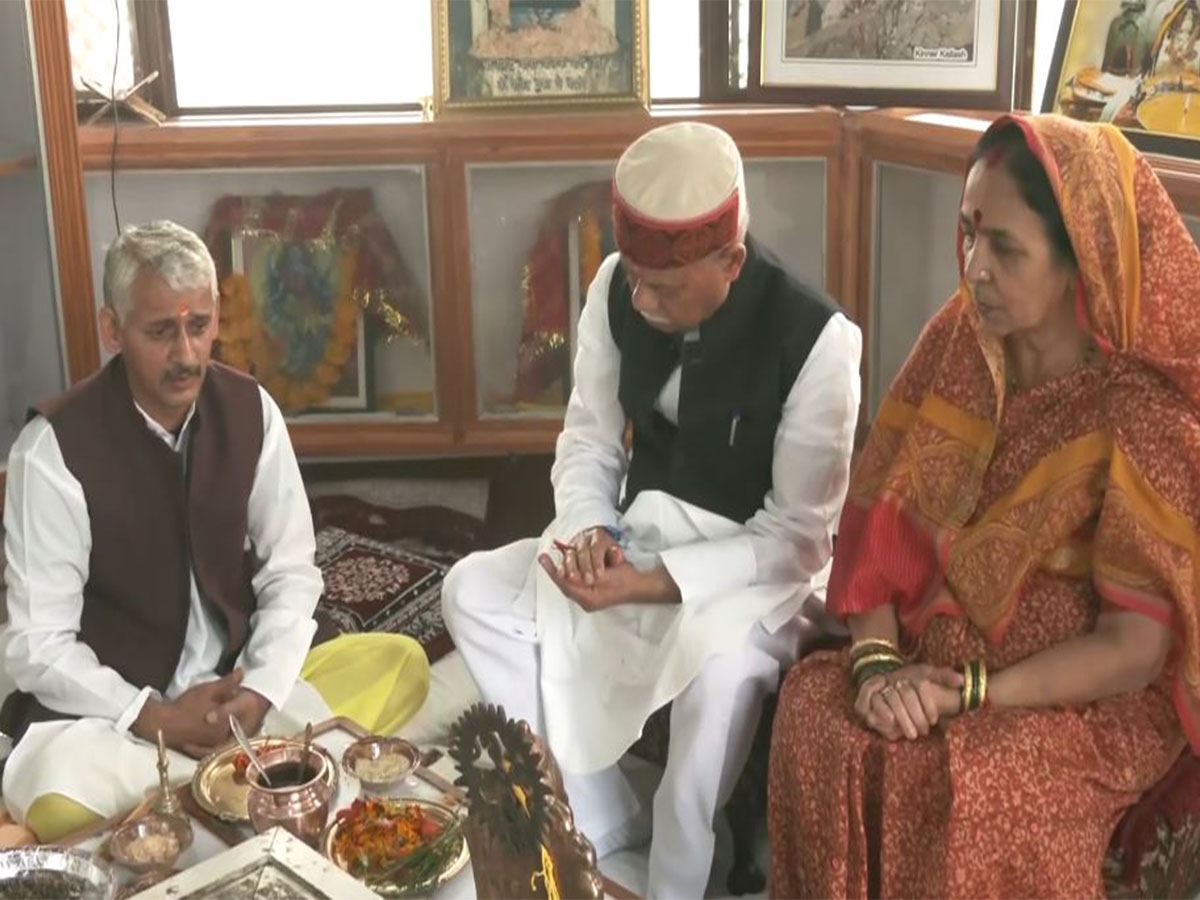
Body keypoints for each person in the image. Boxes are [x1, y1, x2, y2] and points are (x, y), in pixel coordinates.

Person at [768, 114, 1200, 898]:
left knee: (975, 785)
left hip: (1068, 698)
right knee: (814, 715)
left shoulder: (1139, 412)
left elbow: (1133, 648)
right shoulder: (960, 343)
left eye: (1005, 247)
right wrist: (876, 665)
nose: (974, 269)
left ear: (1081, 259)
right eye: (969, 234)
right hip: (928, 659)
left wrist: (967, 692)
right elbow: (878, 530)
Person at [442, 121, 861, 899]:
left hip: (749, 576)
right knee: (471, 593)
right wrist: (591, 534)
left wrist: (653, 582)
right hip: (635, 536)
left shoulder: (817, 341)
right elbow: (590, 441)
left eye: (665, 287)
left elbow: (799, 538)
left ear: (731, 261)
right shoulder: (613, 288)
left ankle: (676, 881)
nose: (642, 299)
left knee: (713, 682)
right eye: (634, 277)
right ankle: (600, 821)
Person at [0, 220, 430, 842]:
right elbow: (36, 643)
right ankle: (242, 787)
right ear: (112, 330)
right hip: (119, 717)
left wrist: (258, 689)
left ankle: (196, 799)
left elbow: (291, 570)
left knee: (399, 663)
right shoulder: (53, 452)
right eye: (160, 332)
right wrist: (155, 717)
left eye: (198, 325)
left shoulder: (251, 411)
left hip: (236, 701)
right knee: (54, 788)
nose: (187, 354)